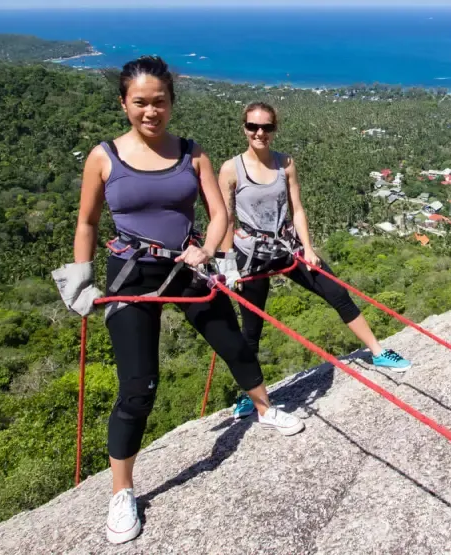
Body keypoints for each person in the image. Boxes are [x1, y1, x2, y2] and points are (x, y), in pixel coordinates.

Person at [53, 59, 303, 545]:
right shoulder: (104, 157)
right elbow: (86, 222)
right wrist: (81, 278)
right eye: (140, 102)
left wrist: (209, 250)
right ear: (125, 103)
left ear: (171, 103)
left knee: (233, 342)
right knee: (138, 387)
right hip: (130, 272)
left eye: (159, 101)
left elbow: (218, 212)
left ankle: (264, 408)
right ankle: (122, 492)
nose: (151, 111)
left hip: (186, 265)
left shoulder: (193, 154)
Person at [218, 102, 412, 419]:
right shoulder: (231, 169)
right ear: (244, 128)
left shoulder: (285, 164)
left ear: (274, 129)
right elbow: (225, 218)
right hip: (251, 254)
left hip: (288, 245)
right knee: (251, 327)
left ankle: (377, 351)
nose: (259, 133)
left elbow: (297, 209)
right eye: (253, 126)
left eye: (266, 127)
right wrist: (226, 267)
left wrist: (308, 248)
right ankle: (249, 394)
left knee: (336, 292)